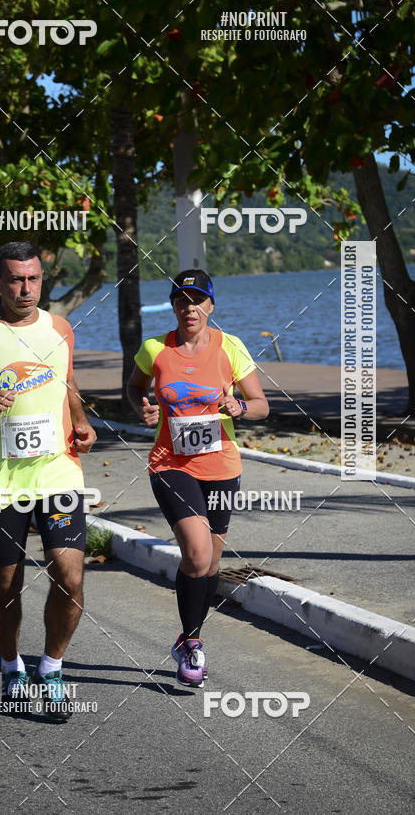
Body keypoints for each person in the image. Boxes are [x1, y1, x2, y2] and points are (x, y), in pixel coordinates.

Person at [0, 242, 96, 721]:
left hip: (59, 468)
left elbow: (66, 381)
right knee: (6, 584)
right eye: (15, 279)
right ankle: (12, 667)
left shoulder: (59, 327)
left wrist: (80, 420)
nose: (25, 288)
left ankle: (52, 670)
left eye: (33, 279)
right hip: (4, 478)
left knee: (70, 574)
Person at [127, 270, 269, 688]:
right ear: (173, 306)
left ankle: (191, 638)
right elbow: (134, 389)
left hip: (222, 467)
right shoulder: (155, 349)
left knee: (212, 563)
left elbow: (262, 405)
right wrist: (143, 408)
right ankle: (191, 644)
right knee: (196, 553)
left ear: (210, 305)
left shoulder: (231, 347)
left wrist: (238, 406)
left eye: (197, 300)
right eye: (181, 300)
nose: (189, 308)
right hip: (170, 463)